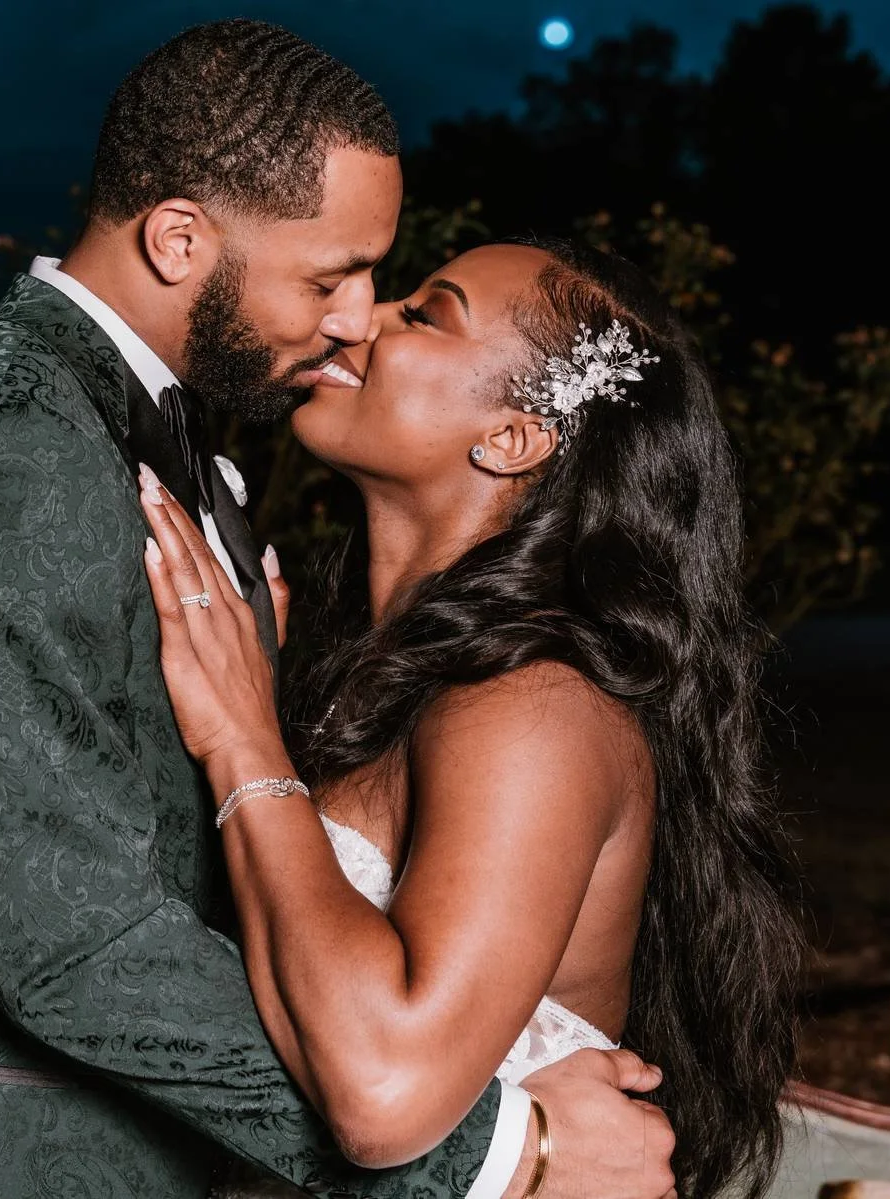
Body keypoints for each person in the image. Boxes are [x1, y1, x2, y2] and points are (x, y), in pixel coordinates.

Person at [0, 20, 677, 1199]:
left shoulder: (176, 456)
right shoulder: (11, 457)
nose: (359, 317)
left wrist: (245, 730)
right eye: (331, 278)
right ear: (179, 240)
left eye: (400, 292)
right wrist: (507, 1147)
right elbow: (78, 943)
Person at [138, 238, 804, 1199]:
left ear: (514, 436)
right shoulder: (369, 673)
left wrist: (239, 737)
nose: (362, 317)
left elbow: (385, 1092)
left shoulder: (532, 706)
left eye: (424, 313)